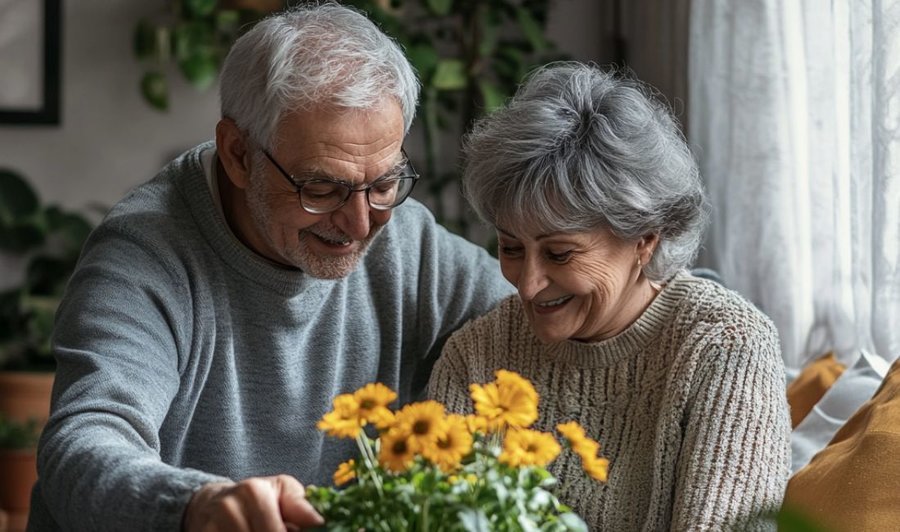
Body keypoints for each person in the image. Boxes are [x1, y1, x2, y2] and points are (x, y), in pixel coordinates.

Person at [29, 4, 514, 531]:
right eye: (321, 188)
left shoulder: (407, 239)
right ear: (238, 154)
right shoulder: (145, 252)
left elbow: (532, 318)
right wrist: (196, 506)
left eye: (383, 184)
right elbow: (82, 445)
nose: (358, 224)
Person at [428, 62, 792, 530]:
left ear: (645, 239)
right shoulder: (476, 354)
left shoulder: (726, 346)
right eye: (511, 248)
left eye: (560, 253)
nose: (527, 282)